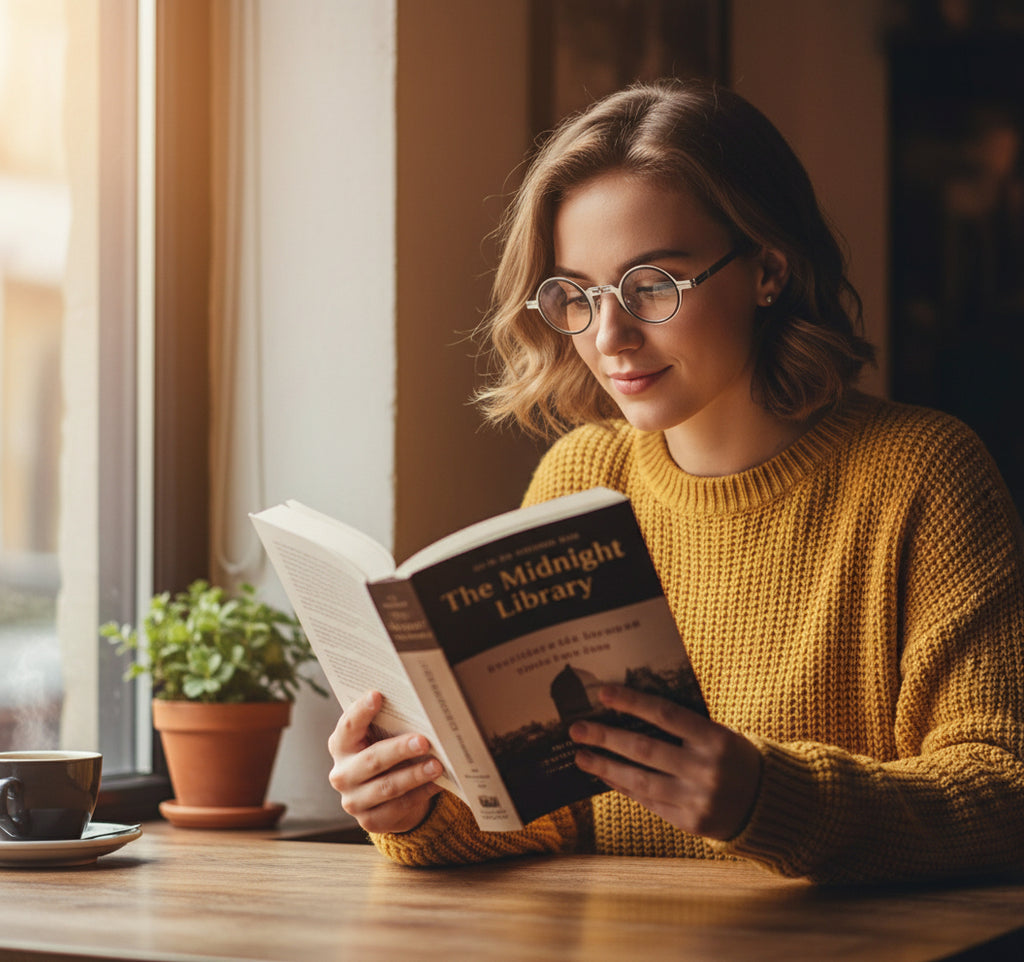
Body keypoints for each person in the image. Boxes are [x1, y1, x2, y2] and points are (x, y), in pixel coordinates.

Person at [328, 79, 1024, 884]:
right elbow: (554, 813)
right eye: (578, 294)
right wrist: (420, 807)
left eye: (652, 285)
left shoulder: (922, 474)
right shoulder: (584, 476)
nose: (611, 334)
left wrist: (767, 798)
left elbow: (1005, 793)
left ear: (768, 269)